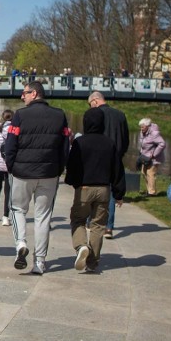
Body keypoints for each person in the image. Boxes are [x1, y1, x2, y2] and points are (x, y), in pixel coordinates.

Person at [3, 81, 70, 274]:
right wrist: (59, 168)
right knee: (43, 216)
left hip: (22, 172)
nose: (22, 97)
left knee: (17, 209)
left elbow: (11, 144)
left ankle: (21, 243)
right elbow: (65, 146)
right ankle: (39, 262)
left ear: (34, 93)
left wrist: (11, 167)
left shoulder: (20, 115)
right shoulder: (60, 115)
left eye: (24, 93)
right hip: (49, 173)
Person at [64, 108, 126, 273]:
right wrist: (119, 194)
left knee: (78, 220)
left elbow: (72, 166)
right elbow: (118, 169)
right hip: (104, 189)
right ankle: (92, 261)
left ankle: (81, 246)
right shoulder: (109, 143)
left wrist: (72, 181)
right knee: (98, 225)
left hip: (84, 188)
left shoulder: (80, 142)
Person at [87, 92, 129, 238]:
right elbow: (125, 138)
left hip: (98, 156)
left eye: (90, 103)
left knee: (93, 188)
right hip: (115, 156)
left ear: (95, 100)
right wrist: (120, 153)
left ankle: (90, 220)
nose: (90, 106)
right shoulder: (120, 115)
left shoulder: (95, 114)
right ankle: (108, 227)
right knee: (111, 192)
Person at [138, 117, 166, 195]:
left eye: (142, 127)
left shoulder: (154, 134)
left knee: (150, 173)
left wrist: (154, 154)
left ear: (147, 126)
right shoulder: (142, 132)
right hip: (145, 157)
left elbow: (162, 144)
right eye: (140, 127)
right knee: (143, 172)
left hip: (153, 158)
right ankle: (149, 190)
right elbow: (143, 144)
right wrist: (141, 152)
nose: (141, 129)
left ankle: (152, 192)